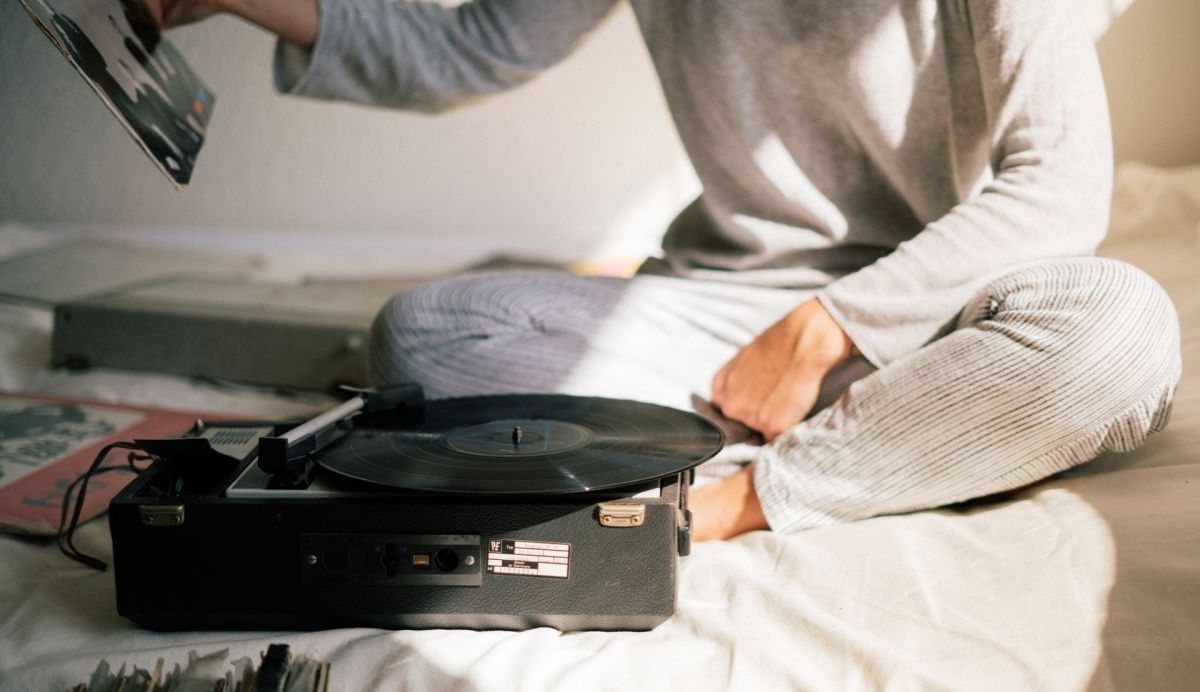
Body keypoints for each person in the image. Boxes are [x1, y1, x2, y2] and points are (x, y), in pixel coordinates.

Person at [149, 0, 1181, 542]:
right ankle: (897, 439)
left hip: (947, 311)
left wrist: (826, 327)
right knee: (429, 334)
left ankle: (734, 500)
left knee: (1121, 333)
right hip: (730, 312)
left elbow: (1059, 192)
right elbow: (471, 48)